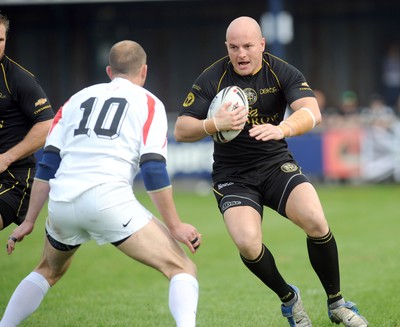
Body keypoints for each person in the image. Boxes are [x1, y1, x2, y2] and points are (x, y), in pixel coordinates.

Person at [174, 16, 368, 327]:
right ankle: (289, 300)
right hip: (233, 175)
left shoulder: (280, 71)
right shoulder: (213, 78)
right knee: (248, 243)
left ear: (262, 45)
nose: (241, 54)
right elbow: (182, 129)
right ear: (227, 48)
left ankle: (337, 303)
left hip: (275, 164)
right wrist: (214, 124)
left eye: (249, 46)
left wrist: (284, 128)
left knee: (316, 220)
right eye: (234, 47)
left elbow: (311, 111)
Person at [1, 40, 201, 327]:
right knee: (182, 267)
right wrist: (175, 225)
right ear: (143, 72)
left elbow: (47, 164)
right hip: (108, 201)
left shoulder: (76, 98)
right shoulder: (149, 102)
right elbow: (154, 168)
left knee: (47, 270)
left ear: (109, 71)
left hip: (63, 204)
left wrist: (29, 220)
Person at [0, 12, 54, 232]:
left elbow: (47, 124)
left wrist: (7, 157)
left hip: (13, 179)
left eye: (1, 40)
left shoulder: (19, 79)